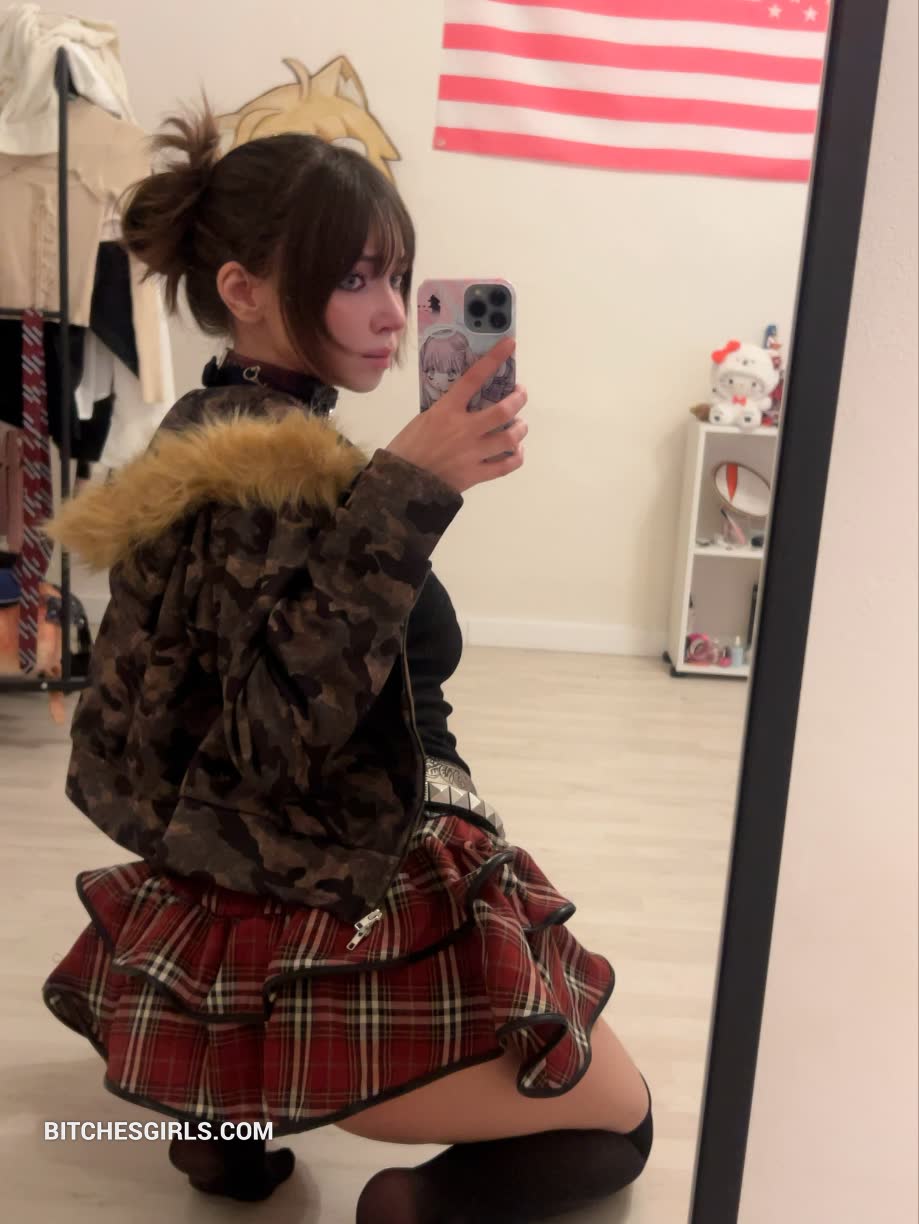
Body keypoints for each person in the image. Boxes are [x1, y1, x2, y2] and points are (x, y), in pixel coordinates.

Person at [41, 105, 652, 1223]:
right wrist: (407, 492)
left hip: (240, 874)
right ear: (242, 290)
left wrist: (398, 486)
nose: (391, 316)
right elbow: (273, 736)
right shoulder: (274, 475)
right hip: (354, 869)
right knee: (624, 1125)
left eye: (399, 279)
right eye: (354, 279)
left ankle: (226, 1133)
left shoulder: (209, 432)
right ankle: (407, 1208)